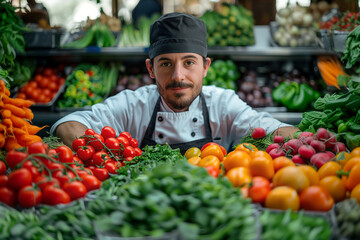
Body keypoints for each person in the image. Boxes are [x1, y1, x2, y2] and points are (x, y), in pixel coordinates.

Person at [51, 12, 298, 154]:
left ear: (206, 68)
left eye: (189, 63)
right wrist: (106, 156)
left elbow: (269, 128)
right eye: (166, 64)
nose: (178, 76)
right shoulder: (132, 105)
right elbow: (69, 125)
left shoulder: (223, 104)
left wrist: (312, 141)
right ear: (151, 69)